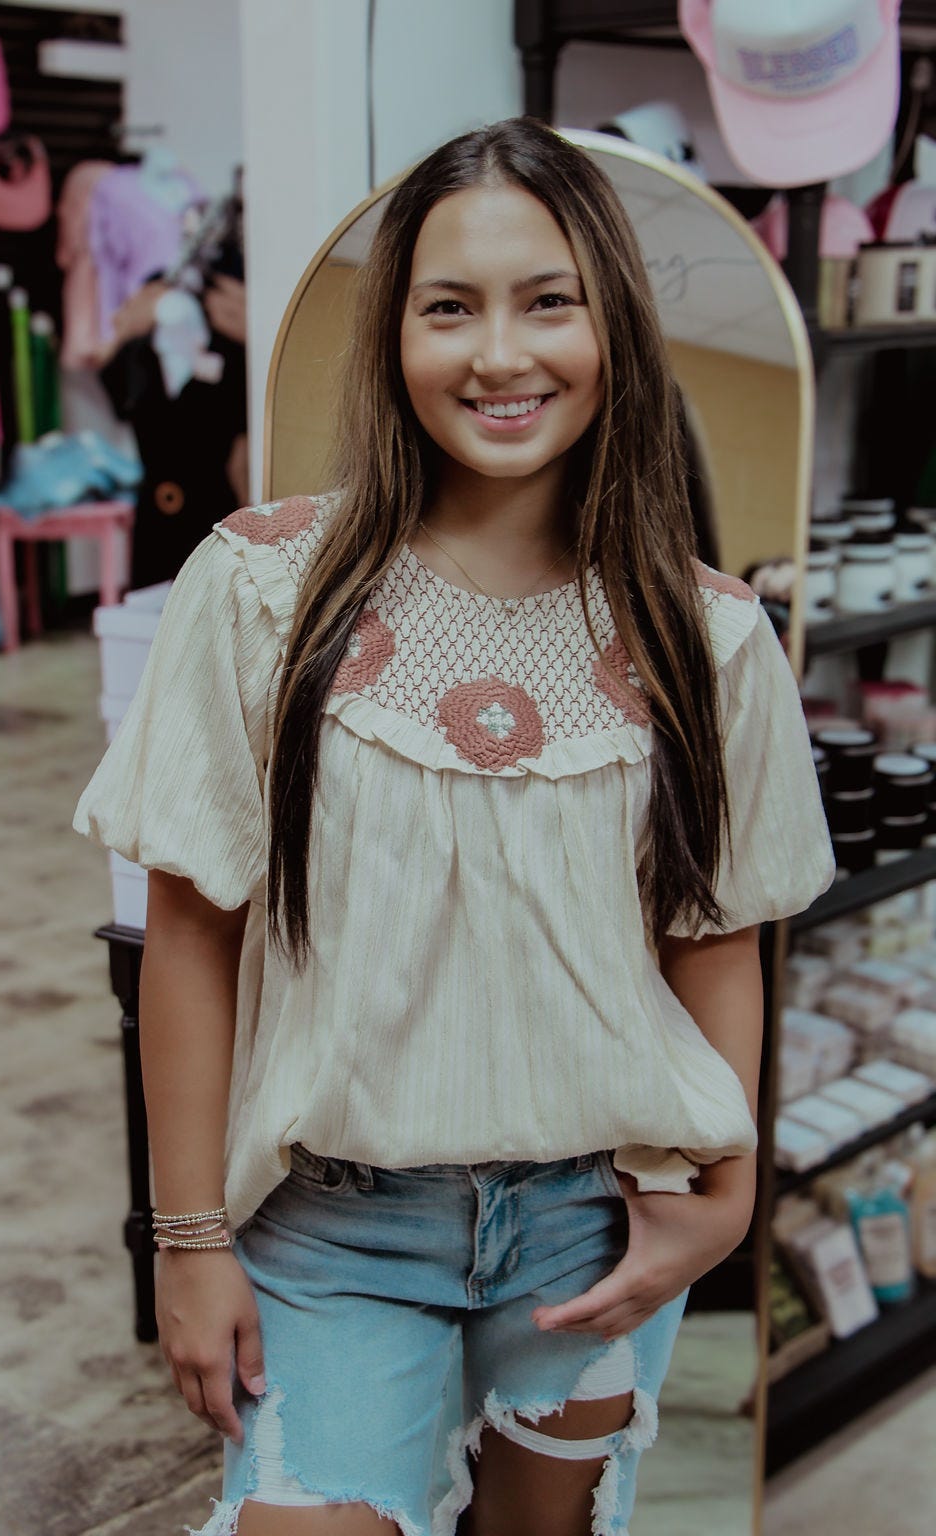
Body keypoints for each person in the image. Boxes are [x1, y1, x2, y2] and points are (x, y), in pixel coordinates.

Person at [74, 119, 834, 1536]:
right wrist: (185, 1243)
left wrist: (721, 1196)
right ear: (394, 337)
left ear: (611, 324)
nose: (501, 355)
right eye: (449, 307)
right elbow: (189, 928)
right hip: (331, 1225)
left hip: (591, 1218)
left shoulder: (711, 637)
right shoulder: (260, 588)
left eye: (549, 301)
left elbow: (719, 940)